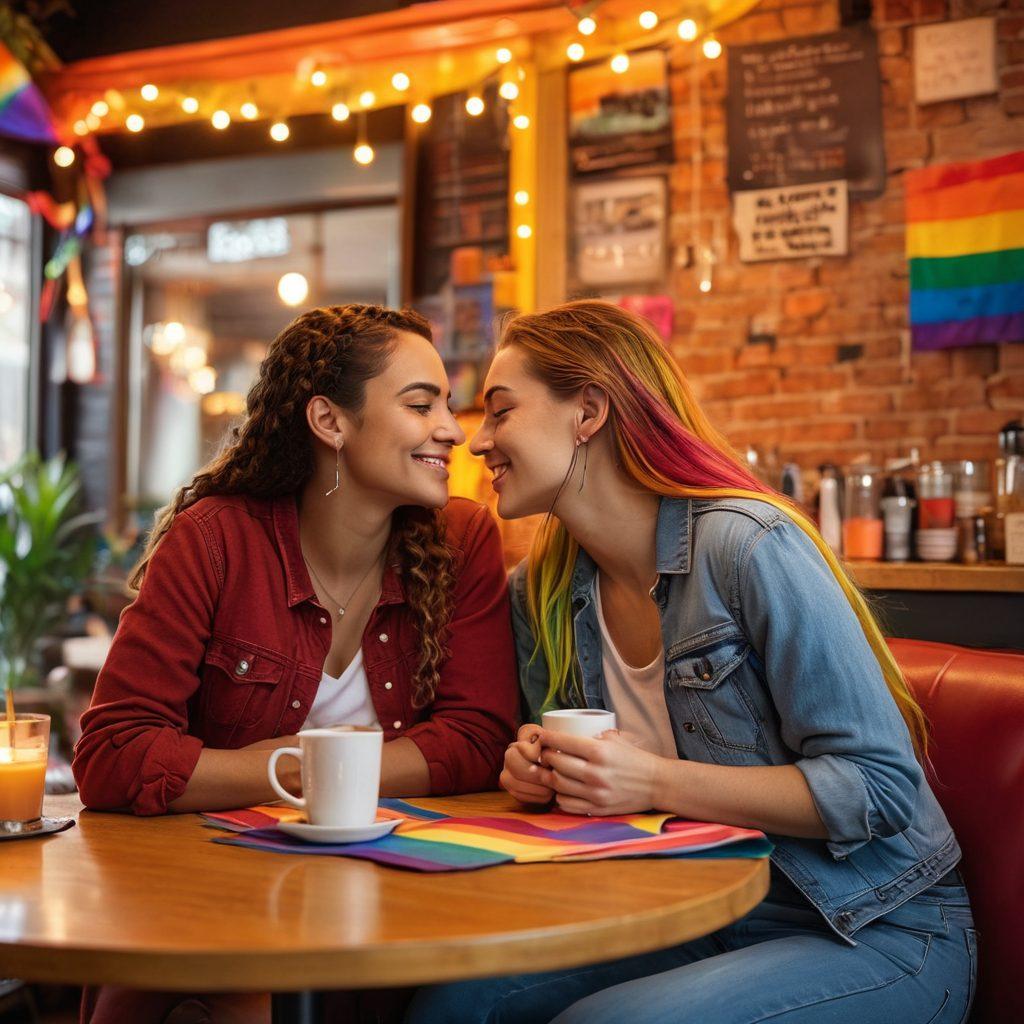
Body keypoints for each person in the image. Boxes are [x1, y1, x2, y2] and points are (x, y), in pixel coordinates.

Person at [406, 300, 975, 1024]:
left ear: (588, 412)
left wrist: (651, 781)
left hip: (874, 927)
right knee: (456, 1006)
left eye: (501, 412)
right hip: (697, 915)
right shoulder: (540, 591)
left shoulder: (749, 548)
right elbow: (582, 787)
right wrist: (537, 771)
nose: (477, 442)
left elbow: (879, 787)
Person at [73, 303, 518, 1023]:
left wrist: (287, 770)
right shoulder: (215, 540)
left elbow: (477, 738)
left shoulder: (461, 537)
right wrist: (301, 773)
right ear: (329, 422)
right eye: (420, 403)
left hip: (404, 890)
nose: (453, 428)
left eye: (445, 402)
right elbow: (114, 752)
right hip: (213, 890)